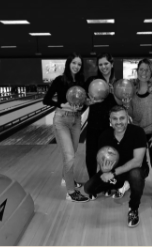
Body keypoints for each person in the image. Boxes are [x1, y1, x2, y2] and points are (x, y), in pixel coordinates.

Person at [84, 105, 149, 227]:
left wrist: (112, 174)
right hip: (115, 171)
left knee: (135, 175)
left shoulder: (137, 132)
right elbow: (102, 160)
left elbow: (137, 161)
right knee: (89, 188)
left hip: (137, 169)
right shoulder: (104, 136)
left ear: (127, 118)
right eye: (115, 119)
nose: (118, 122)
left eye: (122, 118)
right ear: (110, 120)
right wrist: (105, 171)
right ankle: (121, 184)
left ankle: (133, 209)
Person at [43, 52, 89, 203]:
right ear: (68, 63)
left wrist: (82, 107)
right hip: (61, 119)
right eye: (74, 63)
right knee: (69, 156)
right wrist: (62, 104)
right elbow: (46, 99)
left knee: (72, 152)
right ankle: (70, 192)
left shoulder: (82, 82)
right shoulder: (59, 80)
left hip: (76, 120)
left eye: (79, 64)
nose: (76, 66)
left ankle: (66, 178)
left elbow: (82, 103)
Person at [83, 53, 125, 199]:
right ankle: (93, 185)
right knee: (91, 156)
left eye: (106, 63)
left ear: (112, 64)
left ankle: (106, 184)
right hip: (94, 124)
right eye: (100, 64)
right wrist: (88, 102)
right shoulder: (92, 81)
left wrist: (117, 96)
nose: (103, 67)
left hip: (109, 127)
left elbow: (120, 106)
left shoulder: (117, 83)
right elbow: (84, 100)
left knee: (107, 158)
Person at [127, 58, 152, 209]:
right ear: (137, 71)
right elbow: (131, 112)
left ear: (151, 72)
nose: (143, 73)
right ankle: (135, 185)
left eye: (147, 70)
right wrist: (125, 104)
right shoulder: (132, 89)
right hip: (137, 132)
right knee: (138, 163)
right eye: (141, 69)